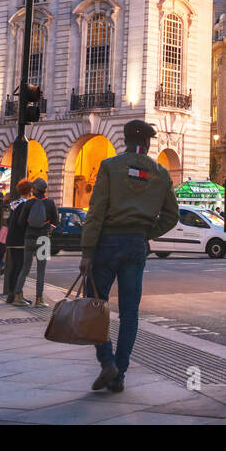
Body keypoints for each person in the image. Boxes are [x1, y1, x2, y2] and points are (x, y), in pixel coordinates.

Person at [81, 120, 179, 394]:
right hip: (136, 244)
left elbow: (96, 210)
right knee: (129, 312)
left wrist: (87, 250)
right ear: (148, 143)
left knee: (95, 305)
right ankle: (119, 374)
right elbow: (172, 216)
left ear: (124, 139)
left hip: (106, 242)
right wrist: (147, 232)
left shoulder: (110, 166)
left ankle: (107, 361)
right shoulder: (160, 172)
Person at [14, 179, 57, 307]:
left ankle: (18, 295)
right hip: (43, 238)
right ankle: (39, 299)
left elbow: (20, 222)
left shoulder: (28, 203)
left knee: (25, 267)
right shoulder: (50, 203)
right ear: (45, 190)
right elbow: (55, 220)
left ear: (34, 189)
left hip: (29, 238)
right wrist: (49, 226)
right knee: (41, 270)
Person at [1, 181, 32, 300]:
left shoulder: (14, 204)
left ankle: (11, 294)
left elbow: (8, 221)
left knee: (14, 267)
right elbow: (23, 222)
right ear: (30, 191)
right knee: (21, 268)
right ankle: (18, 294)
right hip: (21, 240)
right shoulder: (26, 205)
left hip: (11, 239)